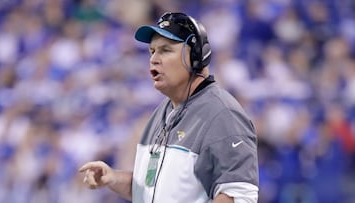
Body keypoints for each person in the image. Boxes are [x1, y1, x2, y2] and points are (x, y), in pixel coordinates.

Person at [79, 12, 259, 203]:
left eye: (165, 50)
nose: (154, 59)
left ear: (196, 56)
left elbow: (239, 195)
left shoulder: (222, 113)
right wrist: (113, 178)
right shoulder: (162, 113)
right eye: (152, 51)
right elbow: (153, 190)